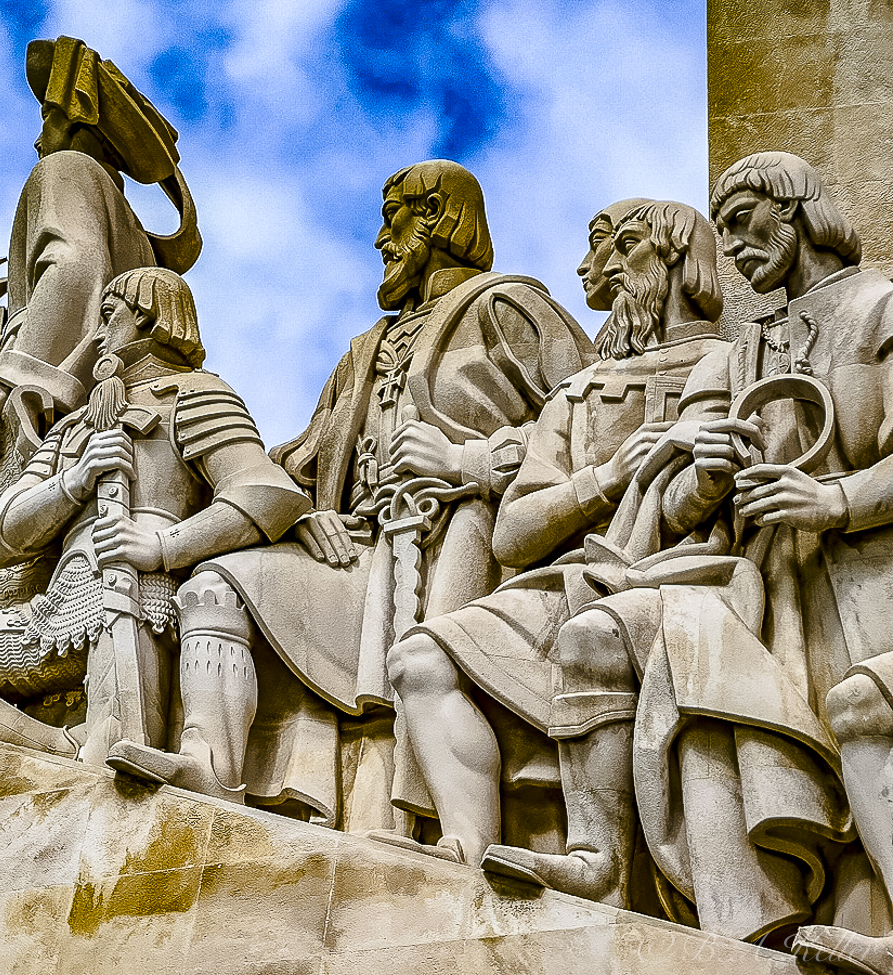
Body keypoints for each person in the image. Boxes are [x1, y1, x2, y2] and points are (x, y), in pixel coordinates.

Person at [108, 160, 596, 824]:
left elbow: (593, 423)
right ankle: (208, 774)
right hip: (358, 555)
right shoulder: (363, 351)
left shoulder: (506, 306)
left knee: (424, 667)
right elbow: (295, 460)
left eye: (392, 218)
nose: (380, 240)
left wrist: (468, 460)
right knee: (214, 583)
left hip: (460, 547)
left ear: (439, 218)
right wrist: (303, 512)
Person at [482, 152, 872, 946]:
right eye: (720, 227)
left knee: (855, 718)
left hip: (847, 570)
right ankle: (601, 858)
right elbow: (677, 505)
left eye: (742, 220)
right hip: (750, 577)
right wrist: (703, 477)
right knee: (600, 635)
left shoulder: (876, 306)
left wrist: (833, 499)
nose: (731, 247)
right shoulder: (744, 350)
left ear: (796, 210)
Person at [0, 268, 309, 761]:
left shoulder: (192, 394)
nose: (98, 335)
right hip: (52, 611)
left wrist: (163, 547)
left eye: (109, 317)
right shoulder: (73, 427)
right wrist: (73, 480)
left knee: (115, 753)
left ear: (149, 320)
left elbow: (265, 492)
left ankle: (81, 750)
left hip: (136, 598)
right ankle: (53, 751)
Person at [385, 199, 727, 870]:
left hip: (680, 575)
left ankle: (597, 859)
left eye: (617, 249)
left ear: (675, 258)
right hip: (559, 581)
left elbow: (703, 499)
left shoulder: (726, 362)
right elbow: (513, 534)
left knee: (592, 634)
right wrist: (606, 477)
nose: (591, 268)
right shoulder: (578, 393)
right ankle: (465, 844)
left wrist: (702, 478)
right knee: (417, 659)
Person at [0, 35, 202, 473]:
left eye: (48, 118)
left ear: (80, 123)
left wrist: (9, 385)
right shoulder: (133, 229)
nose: (38, 140)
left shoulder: (65, 169)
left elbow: (73, 269)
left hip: (53, 414)